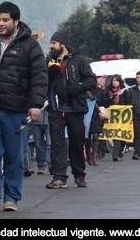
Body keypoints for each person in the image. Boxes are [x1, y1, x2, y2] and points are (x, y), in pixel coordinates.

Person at [0, 1, 47, 213]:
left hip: (17, 110)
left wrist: (35, 104)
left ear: (15, 21)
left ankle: (11, 197)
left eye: (5, 20)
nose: (0, 23)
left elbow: (39, 77)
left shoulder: (30, 46)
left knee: (15, 156)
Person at [44, 31, 95, 189]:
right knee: (57, 144)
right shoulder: (49, 61)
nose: (51, 46)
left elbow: (91, 80)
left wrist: (79, 86)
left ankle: (79, 174)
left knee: (76, 143)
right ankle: (59, 177)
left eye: (54, 43)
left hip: (75, 108)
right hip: (56, 108)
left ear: (62, 45)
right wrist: (49, 75)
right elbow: (43, 81)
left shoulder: (78, 60)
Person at [100, 74, 130, 162]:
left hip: (121, 117)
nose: (114, 82)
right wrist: (111, 99)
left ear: (119, 82)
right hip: (111, 117)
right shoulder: (107, 91)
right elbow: (104, 103)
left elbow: (128, 103)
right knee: (112, 134)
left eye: (116, 80)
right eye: (113, 80)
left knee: (120, 136)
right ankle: (114, 155)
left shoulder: (124, 91)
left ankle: (119, 153)